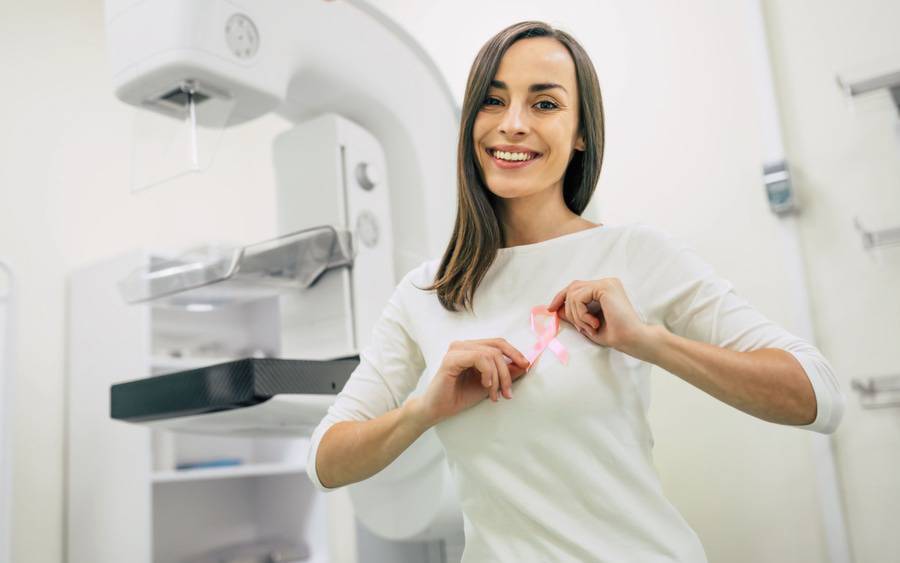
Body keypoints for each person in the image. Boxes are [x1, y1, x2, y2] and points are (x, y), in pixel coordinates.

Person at [306, 20, 845, 562]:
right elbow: (325, 461)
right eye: (494, 101)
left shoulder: (635, 255)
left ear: (582, 131)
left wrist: (648, 341)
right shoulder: (427, 292)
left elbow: (818, 395)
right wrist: (423, 411)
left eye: (544, 104)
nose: (512, 125)